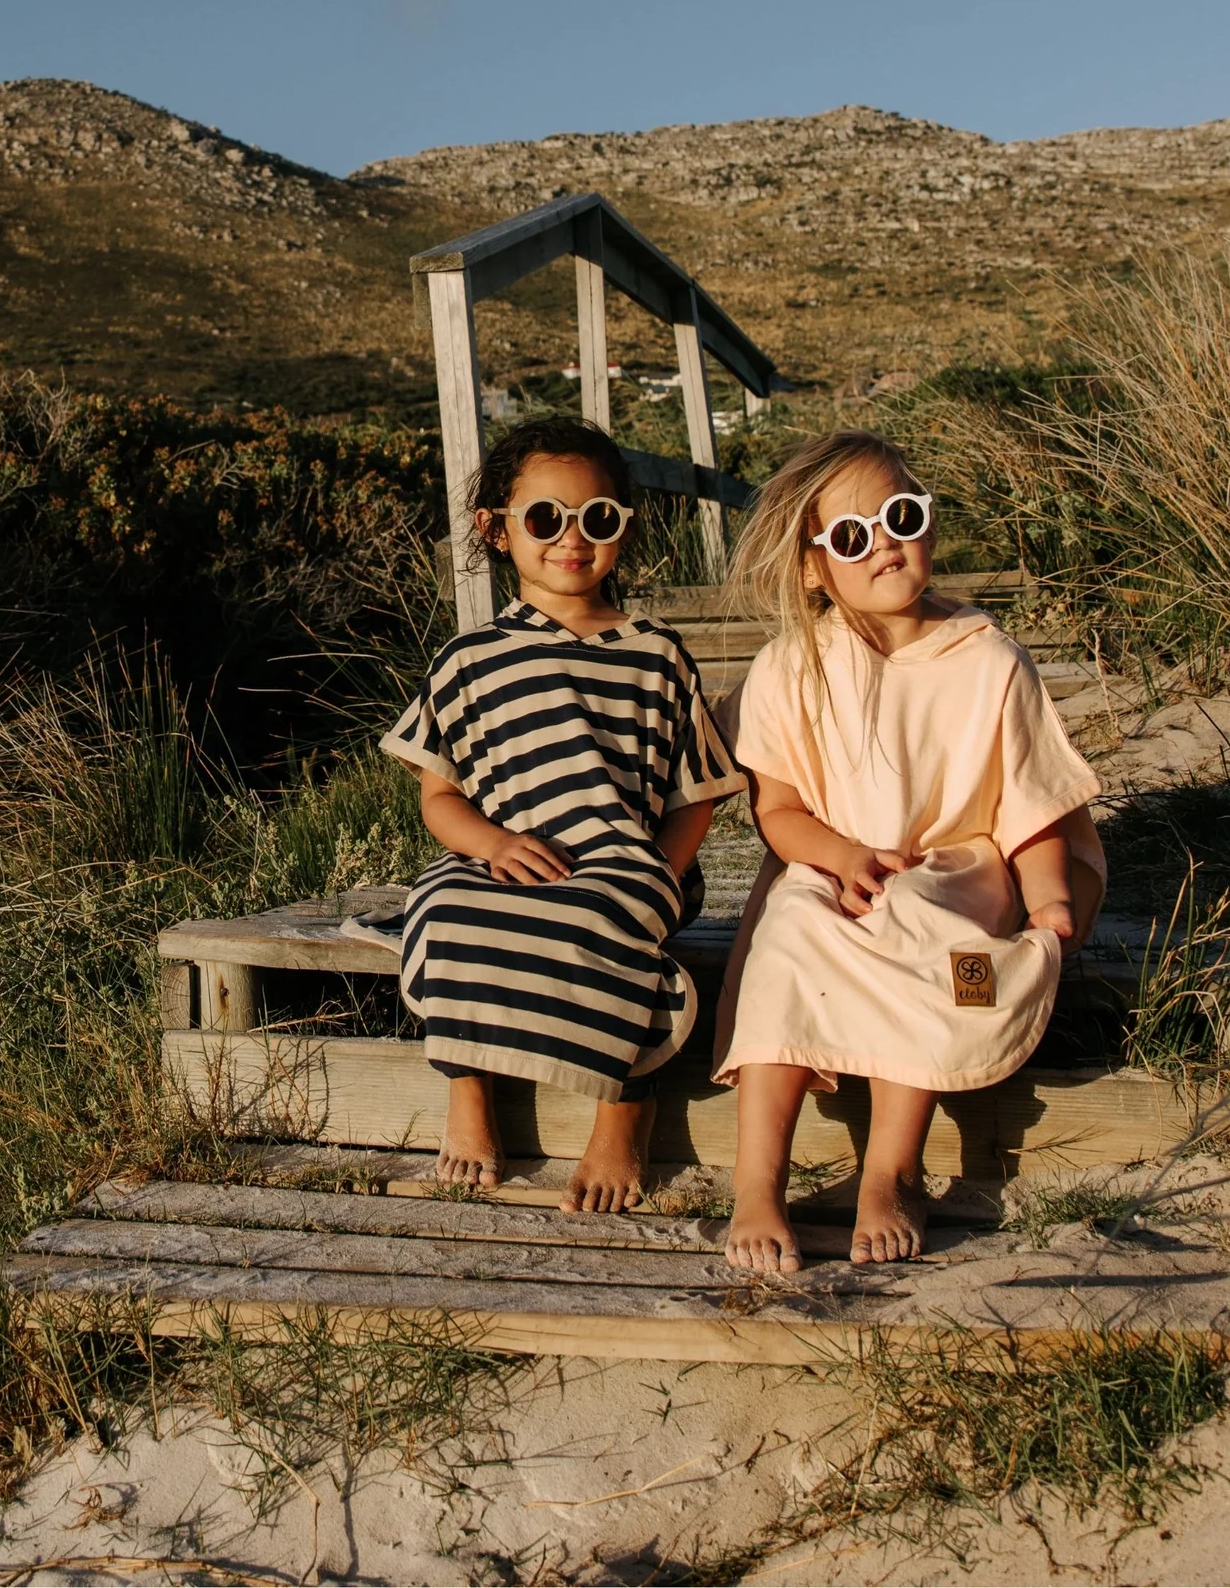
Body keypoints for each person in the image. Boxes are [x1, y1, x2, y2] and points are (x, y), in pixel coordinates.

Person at [714, 430, 1106, 1272]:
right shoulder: (796, 665)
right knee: (787, 937)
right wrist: (839, 854)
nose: (885, 545)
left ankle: (891, 1169)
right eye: (853, 535)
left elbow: (1030, 801)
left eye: (901, 517)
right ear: (814, 566)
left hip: (956, 870)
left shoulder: (989, 659)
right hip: (831, 860)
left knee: (925, 932)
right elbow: (777, 810)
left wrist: (1050, 900)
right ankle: (757, 1182)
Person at [381, 416, 744, 1214]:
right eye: (545, 518)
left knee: (605, 922)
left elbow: (697, 793)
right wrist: (491, 844)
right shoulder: (468, 660)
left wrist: (661, 870)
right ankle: (470, 1085)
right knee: (444, 912)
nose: (571, 539)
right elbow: (440, 796)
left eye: (597, 519)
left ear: (624, 530)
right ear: (496, 529)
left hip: (626, 858)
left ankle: (624, 1106)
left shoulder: (656, 654)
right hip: (499, 854)